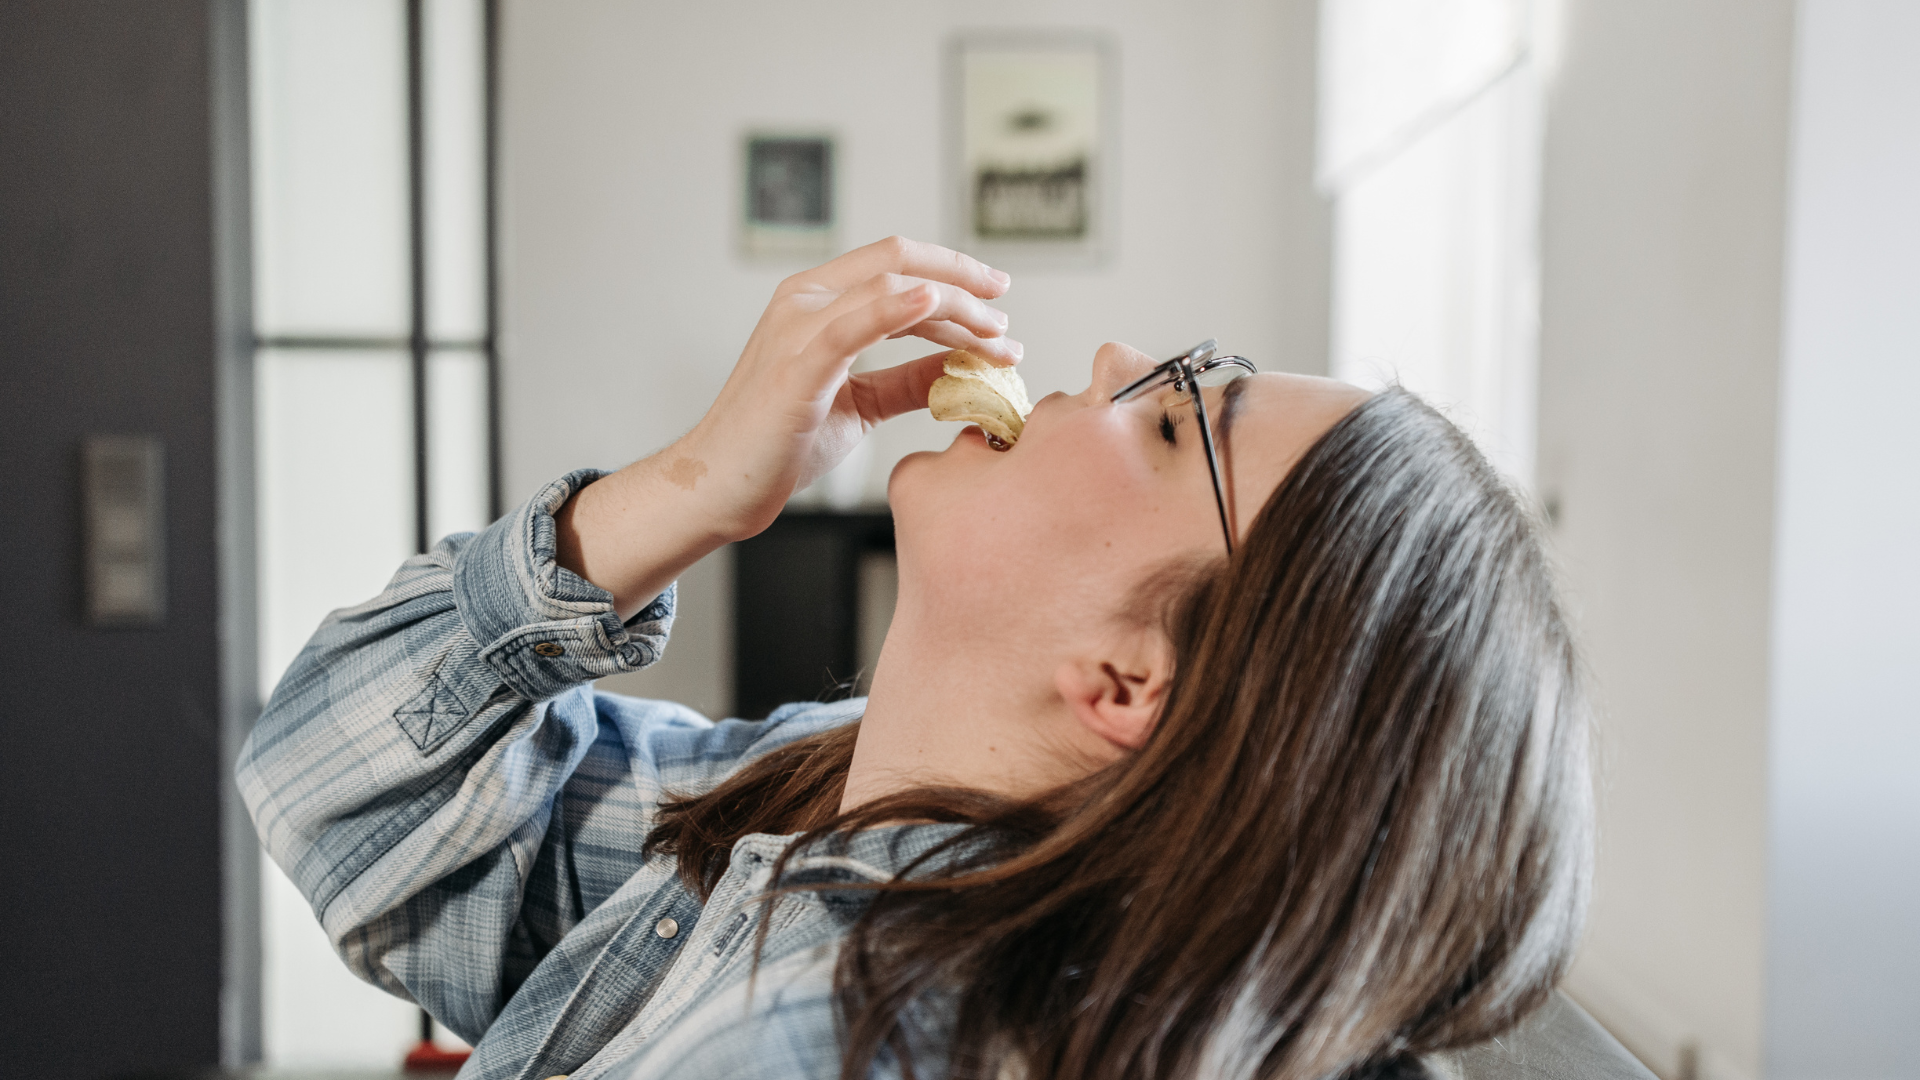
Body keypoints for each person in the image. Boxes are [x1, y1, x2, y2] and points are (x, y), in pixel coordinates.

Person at [239, 236, 1592, 1080]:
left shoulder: (823, 1047)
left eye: (1178, 425)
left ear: (1131, 680)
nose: (1119, 356)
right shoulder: (817, 799)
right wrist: (695, 485)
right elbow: (334, 785)